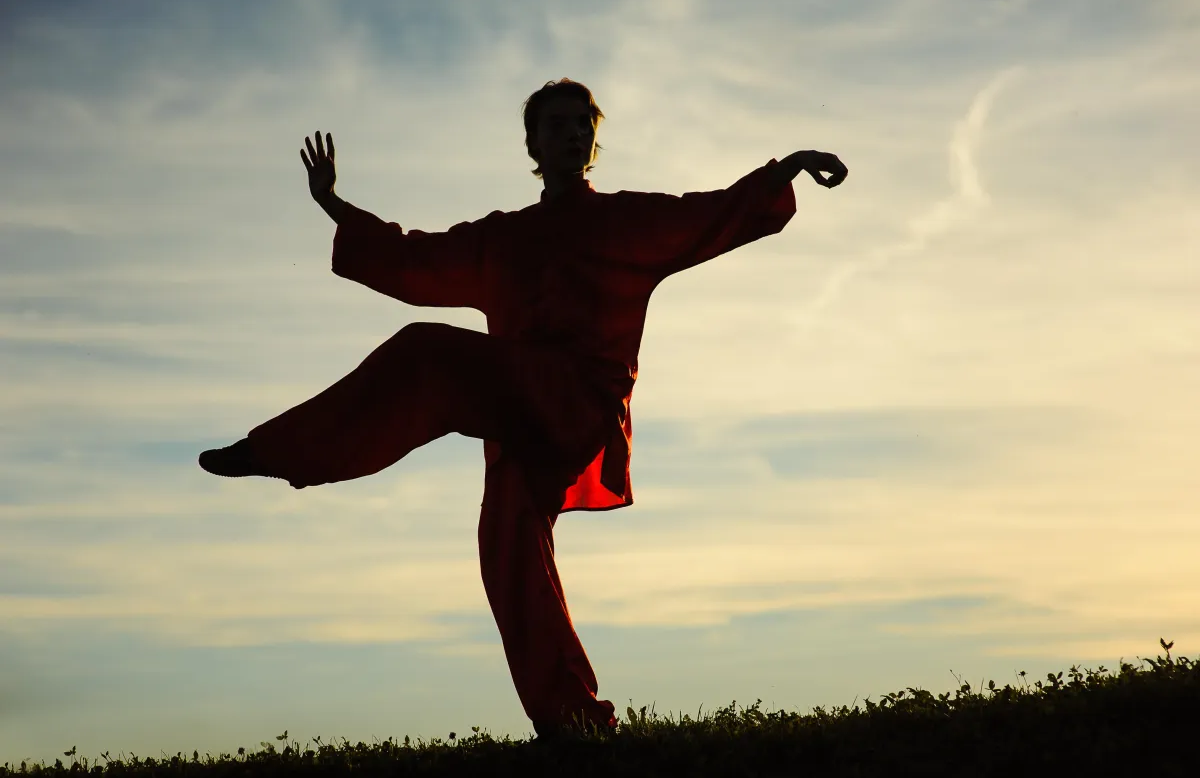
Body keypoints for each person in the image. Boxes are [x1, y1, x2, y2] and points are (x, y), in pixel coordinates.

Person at [199, 78, 847, 739]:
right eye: (556, 124)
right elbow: (412, 257)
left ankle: (278, 451)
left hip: (575, 400)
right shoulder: (503, 240)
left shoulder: (624, 221)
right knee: (506, 549)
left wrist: (784, 170)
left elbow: (706, 215)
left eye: (581, 124)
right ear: (533, 144)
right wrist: (334, 204)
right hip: (517, 419)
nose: (572, 133)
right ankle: (574, 723)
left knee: (427, 355)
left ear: (593, 141)